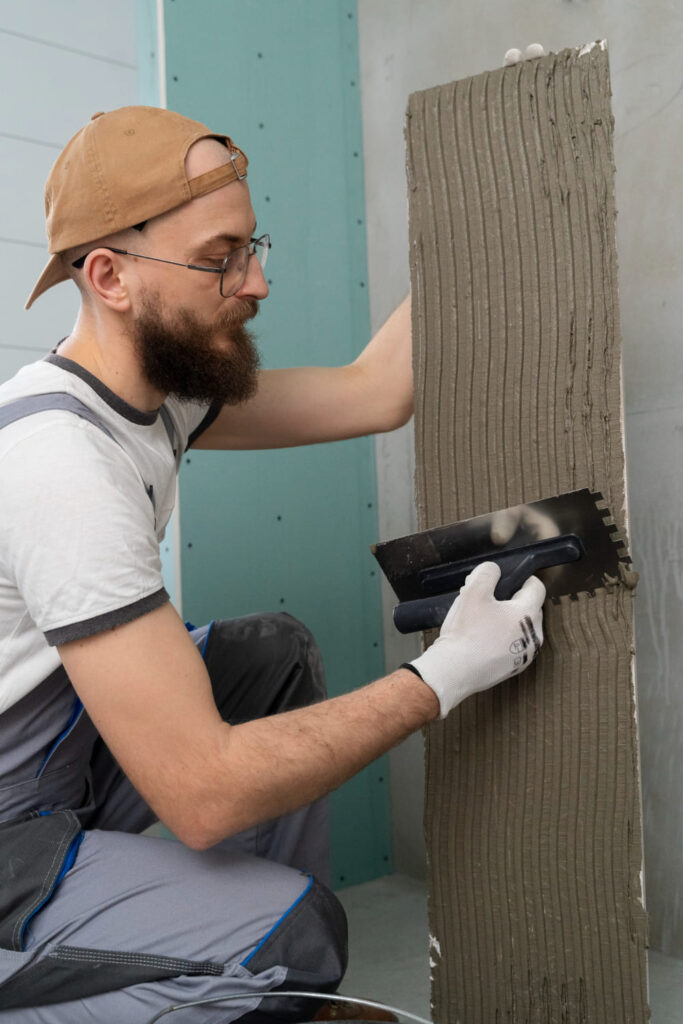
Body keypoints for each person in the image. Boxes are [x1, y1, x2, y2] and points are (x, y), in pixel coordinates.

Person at [0, 106, 545, 1023]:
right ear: (110, 276)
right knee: (295, 932)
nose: (256, 283)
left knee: (269, 653)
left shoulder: (162, 396)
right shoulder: (60, 463)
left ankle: (243, 967)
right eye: (220, 258)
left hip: (62, 748)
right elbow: (204, 796)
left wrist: (488, 190)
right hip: (10, 819)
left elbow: (375, 393)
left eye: (251, 248)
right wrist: (441, 677)